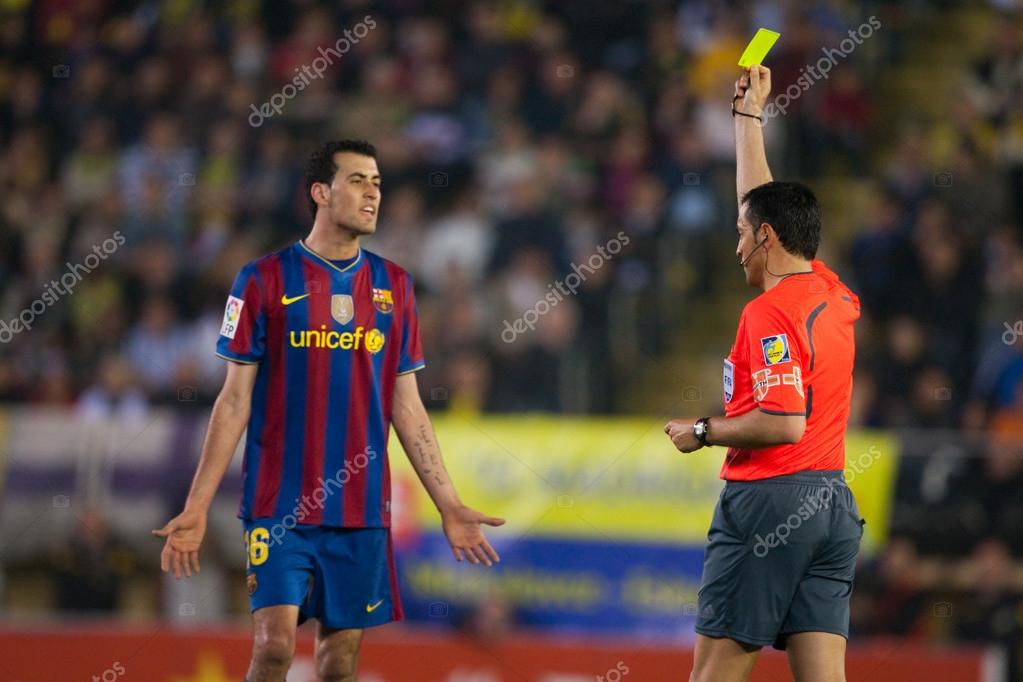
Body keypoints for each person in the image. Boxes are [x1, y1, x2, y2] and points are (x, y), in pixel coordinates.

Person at [153, 140, 505, 682]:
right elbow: (233, 401)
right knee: (272, 647)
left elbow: (406, 407)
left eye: (378, 183)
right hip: (278, 504)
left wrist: (449, 503)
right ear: (321, 191)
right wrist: (197, 507)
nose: (373, 194)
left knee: (337, 660)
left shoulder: (396, 287)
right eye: (359, 180)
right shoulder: (262, 280)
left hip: (361, 510)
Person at [664, 66, 863, 682]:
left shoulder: (770, 312)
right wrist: (748, 119)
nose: (737, 247)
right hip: (831, 507)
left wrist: (702, 431)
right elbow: (764, 205)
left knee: (714, 675)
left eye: (742, 235)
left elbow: (781, 422)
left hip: (770, 504)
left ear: (766, 239)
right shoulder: (831, 292)